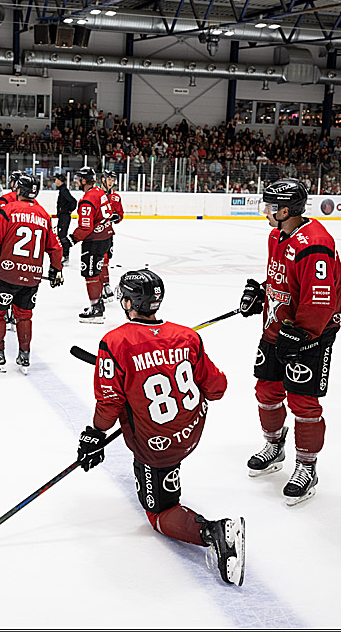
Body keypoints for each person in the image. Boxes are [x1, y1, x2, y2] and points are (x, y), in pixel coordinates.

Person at [76, 269, 243, 586]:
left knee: (159, 512)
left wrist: (94, 435)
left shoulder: (115, 342)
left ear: (128, 302)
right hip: (190, 431)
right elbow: (217, 388)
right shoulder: (187, 336)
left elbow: (109, 403)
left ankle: (214, 531)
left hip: (157, 444)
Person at [236, 178, 341, 506]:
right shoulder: (277, 235)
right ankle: (274, 445)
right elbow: (283, 278)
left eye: (269, 206)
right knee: (266, 391)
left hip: (308, 337)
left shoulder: (316, 244)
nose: (264, 211)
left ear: (285, 210)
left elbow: (319, 299)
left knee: (303, 402)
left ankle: (307, 467)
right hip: (275, 329)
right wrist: (261, 293)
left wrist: (302, 334)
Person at [0, 171, 63, 374]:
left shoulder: (9, 210)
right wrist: (56, 270)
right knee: (24, 315)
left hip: (8, 273)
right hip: (32, 275)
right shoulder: (44, 215)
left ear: (18, 189)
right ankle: (24, 356)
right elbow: (56, 248)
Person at [59, 166, 118, 323]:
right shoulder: (100, 192)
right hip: (106, 237)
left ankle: (96, 310)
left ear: (84, 180)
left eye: (79, 179)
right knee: (97, 271)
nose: (77, 181)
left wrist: (70, 240)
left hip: (94, 242)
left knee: (90, 274)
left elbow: (86, 227)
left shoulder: (87, 199)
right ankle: (99, 304)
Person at [100, 169, 125, 302]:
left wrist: (117, 218)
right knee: (98, 260)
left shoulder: (115, 197)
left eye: (113, 180)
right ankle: (102, 285)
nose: (111, 182)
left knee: (106, 259)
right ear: (103, 179)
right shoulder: (95, 194)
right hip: (95, 233)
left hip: (108, 233)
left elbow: (120, 214)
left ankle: (104, 284)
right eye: (109, 179)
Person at [54, 172, 77, 263]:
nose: (55, 181)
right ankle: (63, 255)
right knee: (60, 235)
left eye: (56, 180)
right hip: (63, 216)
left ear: (60, 181)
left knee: (62, 236)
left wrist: (69, 210)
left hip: (64, 217)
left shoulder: (64, 191)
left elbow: (73, 201)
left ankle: (65, 255)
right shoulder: (62, 190)